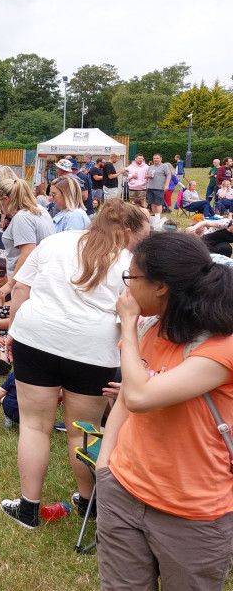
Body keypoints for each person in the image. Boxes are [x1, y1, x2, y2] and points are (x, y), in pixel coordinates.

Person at [0, 199, 149, 529]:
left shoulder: (55, 241)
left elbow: (21, 290)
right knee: (83, 431)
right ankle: (88, 502)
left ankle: (28, 508)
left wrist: (13, 329)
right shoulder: (129, 261)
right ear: (126, 231)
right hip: (92, 349)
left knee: (35, 426)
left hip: (36, 337)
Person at [96, 232, 233, 589]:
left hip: (192, 513)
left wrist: (126, 322)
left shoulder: (222, 347)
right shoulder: (157, 326)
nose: (126, 289)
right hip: (124, 488)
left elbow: (139, 396)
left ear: (160, 287)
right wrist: (105, 464)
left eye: (131, 277)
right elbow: (128, 392)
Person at [0, 178, 55, 297]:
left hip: (25, 283)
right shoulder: (40, 209)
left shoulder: (22, 218)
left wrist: (10, 284)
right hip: (40, 278)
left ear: (6, 199)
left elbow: (27, 253)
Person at [144, 152, 173, 217]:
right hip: (150, 187)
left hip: (159, 188)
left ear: (161, 159)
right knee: (152, 203)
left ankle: (158, 216)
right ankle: (154, 215)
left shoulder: (164, 166)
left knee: (158, 203)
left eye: (157, 158)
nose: (155, 159)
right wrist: (148, 176)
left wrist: (166, 185)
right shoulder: (150, 167)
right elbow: (147, 175)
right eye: (154, 158)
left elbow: (168, 175)